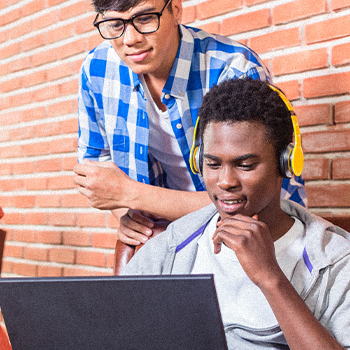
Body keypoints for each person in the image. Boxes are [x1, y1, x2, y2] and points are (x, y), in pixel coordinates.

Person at [122, 79, 350, 349]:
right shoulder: (170, 249)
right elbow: (117, 332)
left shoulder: (335, 260)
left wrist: (270, 277)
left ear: (286, 163)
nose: (226, 181)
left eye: (245, 165)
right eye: (212, 164)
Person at [73, 0, 306, 247]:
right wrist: (128, 216)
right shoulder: (96, 69)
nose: (130, 39)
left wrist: (130, 194)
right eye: (114, 24)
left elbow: (250, 199)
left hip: (259, 231)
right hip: (168, 235)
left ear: (175, 9)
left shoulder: (235, 69)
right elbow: (97, 173)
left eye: (144, 19)